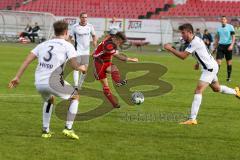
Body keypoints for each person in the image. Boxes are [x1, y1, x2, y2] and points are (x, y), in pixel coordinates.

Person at [8, 20, 86, 139]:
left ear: (55, 31)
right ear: (66, 32)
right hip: (53, 81)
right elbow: (75, 65)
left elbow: (27, 60)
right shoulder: (67, 45)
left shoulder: (43, 44)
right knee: (75, 96)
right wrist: (82, 67)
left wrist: (17, 77)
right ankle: (68, 128)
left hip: (39, 83)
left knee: (50, 100)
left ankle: (45, 131)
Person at [164, 23, 240, 125]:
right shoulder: (196, 40)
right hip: (211, 66)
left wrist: (170, 49)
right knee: (216, 88)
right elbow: (203, 52)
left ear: (190, 32)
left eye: (183, 33)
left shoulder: (195, 42)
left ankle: (192, 119)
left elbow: (183, 56)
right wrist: (197, 62)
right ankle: (236, 92)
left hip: (209, 69)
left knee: (198, 90)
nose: (181, 35)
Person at [93, 32, 138, 108]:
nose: (120, 44)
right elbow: (119, 56)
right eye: (120, 42)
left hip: (105, 62)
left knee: (114, 68)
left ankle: (118, 83)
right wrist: (131, 59)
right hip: (99, 64)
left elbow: (108, 44)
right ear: (117, 39)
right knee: (106, 86)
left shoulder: (112, 39)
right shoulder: (108, 45)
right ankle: (114, 102)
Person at [69, 12, 97, 90]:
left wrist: (94, 42)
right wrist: (71, 46)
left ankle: (79, 85)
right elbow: (69, 38)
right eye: (83, 17)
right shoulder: (75, 27)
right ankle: (75, 85)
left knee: (85, 70)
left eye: (86, 17)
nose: (84, 19)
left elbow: (94, 36)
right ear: (80, 18)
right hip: (77, 50)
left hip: (86, 51)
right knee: (76, 67)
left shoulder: (90, 26)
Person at [214, 16, 235, 82]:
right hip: (220, 46)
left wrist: (231, 45)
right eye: (222, 19)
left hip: (228, 46)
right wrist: (215, 46)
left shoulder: (230, 27)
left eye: (224, 19)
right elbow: (217, 38)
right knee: (218, 62)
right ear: (220, 21)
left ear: (226, 20)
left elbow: (233, 37)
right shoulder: (219, 29)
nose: (223, 20)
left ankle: (228, 78)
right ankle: (215, 77)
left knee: (229, 62)